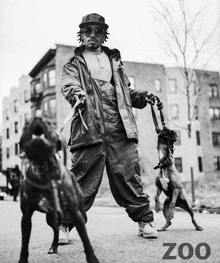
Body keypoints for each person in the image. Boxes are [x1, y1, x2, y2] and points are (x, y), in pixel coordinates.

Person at [60, 13, 158, 244]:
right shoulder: (74, 64)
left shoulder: (115, 62)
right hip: (88, 127)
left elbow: (124, 93)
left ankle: (145, 221)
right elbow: (68, 84)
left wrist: (143, 97)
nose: (92, 35)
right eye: (87, 31)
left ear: (104, 35)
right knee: (81, 178)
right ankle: (64, 224)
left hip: (119, 128)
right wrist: (76, 92)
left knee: (129, 175)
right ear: (81, 35)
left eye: (98, 31)